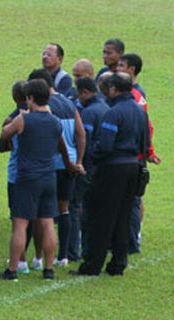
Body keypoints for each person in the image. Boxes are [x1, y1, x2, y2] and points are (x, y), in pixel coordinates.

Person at [0, 79, 82, 281]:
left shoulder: (23, 119)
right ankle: (49, 268)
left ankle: (13, 269)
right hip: (49, 177)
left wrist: (17, 121)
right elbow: (61, 144)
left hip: (27, 177)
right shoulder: (55, 121)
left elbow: (4, 134)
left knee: (20, 224)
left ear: (30, 98)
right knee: (48, 223)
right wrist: (70, 164)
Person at [73, 73, 148, 276]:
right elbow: (145, 142)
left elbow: (105, 145)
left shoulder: (114, 113)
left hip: (113, 168)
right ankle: (118, 263)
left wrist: (93, 157)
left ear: (114, 89)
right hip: (133, 166)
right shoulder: (140, 112)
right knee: (123, 215)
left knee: (101, 216)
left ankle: (92, 265)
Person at [28, 69, 85, 268]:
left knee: (42, 213)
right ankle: (63, 256)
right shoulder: (69, 102)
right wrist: (77, 160)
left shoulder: (44, 106)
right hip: (68, 164)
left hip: (50, 164)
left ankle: (40, 257)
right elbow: (80, 133)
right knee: (64, 209)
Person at [117, 53, 160, 254]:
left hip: (131, 156)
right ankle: (131, 239)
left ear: (131, 69)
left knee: (131, 201)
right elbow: (147, 125)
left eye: (121, 65)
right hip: (137, 156)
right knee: (133, 199)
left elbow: (145, 126)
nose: (117, 68)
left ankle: (131, 241)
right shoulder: (138, 97)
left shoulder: (135, 96)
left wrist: (147, 151)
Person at [74, 76, 110, 260]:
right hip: (105, 165)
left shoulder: (88, 112)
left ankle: (82, 242)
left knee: (82, 204)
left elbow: (84, 140)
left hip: (89, 165)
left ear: (85, 93)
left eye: (78, 94)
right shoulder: (106, 107)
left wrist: (81, 162)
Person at [0, 81, 30, 273]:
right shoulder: (42, 115)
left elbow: (2, 147)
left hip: (17, 172)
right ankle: (39, 260)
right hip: (41, 172)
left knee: (17, 220)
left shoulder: (11, 120)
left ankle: (21, 262)